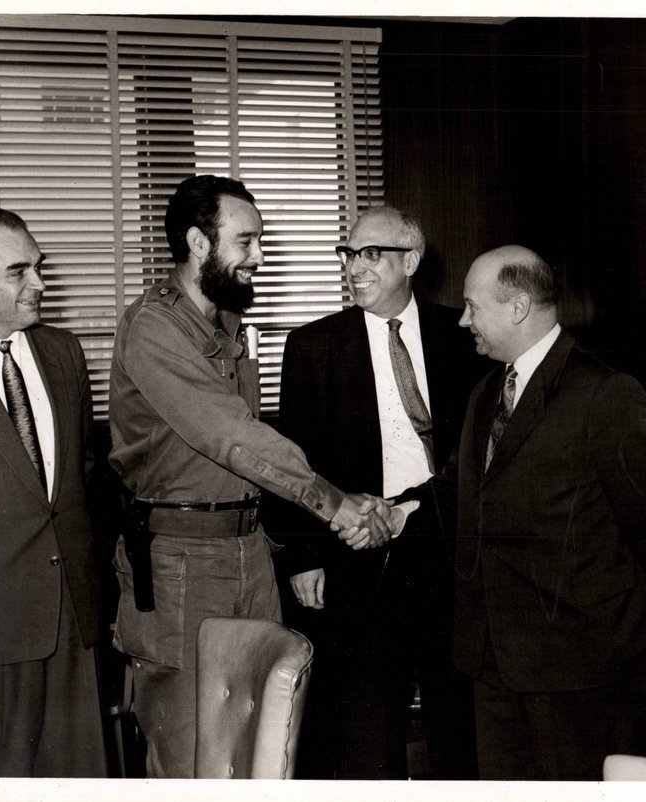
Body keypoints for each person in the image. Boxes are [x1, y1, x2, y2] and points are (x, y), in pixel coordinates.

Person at [108, 175, 394, 778]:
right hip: (183, 564)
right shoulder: (154, 328)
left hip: (249, 553)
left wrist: (340, 499)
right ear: (198, 243)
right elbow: (233, 437)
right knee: (194, 754)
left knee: (261, 748)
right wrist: (337, 507)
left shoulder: (230, 328)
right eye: (246, 242)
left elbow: (264, 446)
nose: (258, 258)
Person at [445, 244, 646, 780]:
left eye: (472, 306)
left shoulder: (604, 392)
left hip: (584, 669)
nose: (463, 319)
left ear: (516, 307)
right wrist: (388, 515)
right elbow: (459, 493)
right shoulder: (486, 393)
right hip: (494, 663)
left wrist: (631, 617)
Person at [270, 206, 484, 779]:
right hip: (356, 549)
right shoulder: (313, 346)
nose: (354, 268)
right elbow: (292, 459)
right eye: (348, 253)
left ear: (410, 261)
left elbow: (478, 450)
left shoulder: (461, 335)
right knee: (365, 721)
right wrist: (304, 555)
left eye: (371, 254)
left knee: (455, 714)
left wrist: (416, 508)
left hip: (443, 543)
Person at [0, 206, 107, 777]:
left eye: (39, 267)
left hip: (73, 622)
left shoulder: (64, 354)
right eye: (19, 271)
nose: (39, 283)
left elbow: (82, 474)